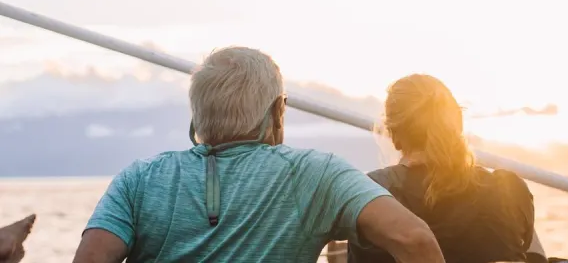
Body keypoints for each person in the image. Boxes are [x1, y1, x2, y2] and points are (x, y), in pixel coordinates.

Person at [73, 47, 445, 263]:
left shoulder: (139, 178)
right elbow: (414, 239)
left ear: (197, 112)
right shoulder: (316, 174)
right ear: (277, 111)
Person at [348, 74, 548, 263]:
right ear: (457, 125)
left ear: (394, 135)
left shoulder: (372, 195)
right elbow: (534, 258)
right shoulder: (508, 189)